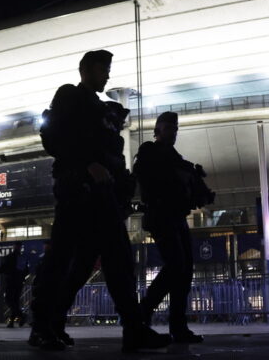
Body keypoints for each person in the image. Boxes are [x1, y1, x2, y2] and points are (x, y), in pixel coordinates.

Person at [29, 50, 172, 352]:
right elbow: (52, 136)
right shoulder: (70, 96)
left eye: (108, 69)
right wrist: (84, 165)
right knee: (62, 260)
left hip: (103, 197)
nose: (107, 75)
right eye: (102, 69)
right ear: (85, 70)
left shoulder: (104, 109)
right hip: (77, 191)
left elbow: (111, 155)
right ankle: (42, 326)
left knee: (115, 260)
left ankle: (132, 329)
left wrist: (122, 186)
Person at [133, 111, 214, 343]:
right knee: (177, 264)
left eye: (176, 128)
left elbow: (189, 189)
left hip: (176, 216)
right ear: (158, 129)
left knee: (185, 268)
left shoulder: (179, 160)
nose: (174, 132)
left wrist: (198, 192)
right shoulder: (150, 151)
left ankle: (177, 326)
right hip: (160, 215)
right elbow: (149, 179)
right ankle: (145, 310)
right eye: (169, 127)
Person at [0, 242, 29, 328]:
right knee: (15, 302)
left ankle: (21, 316)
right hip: (19, 282)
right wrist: (22, 278)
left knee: (9, 300)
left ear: (14, 247)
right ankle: (11, 322)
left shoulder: (10, 257)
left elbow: (3, 268)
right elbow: (27, 270)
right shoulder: (22, 258)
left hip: (11, 281)